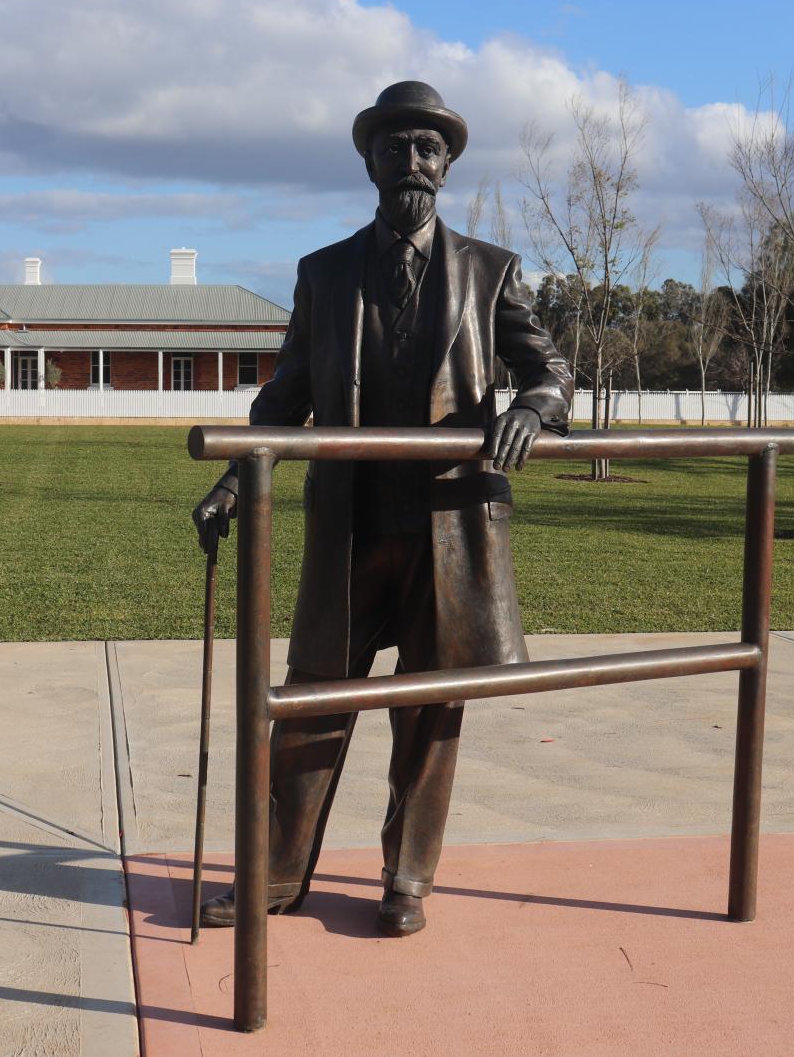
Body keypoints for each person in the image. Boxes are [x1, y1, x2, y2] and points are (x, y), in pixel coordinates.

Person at [192, 81, 573, 937]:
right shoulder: (323, 274)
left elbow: (552, 370)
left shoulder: (490, 272)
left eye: (427, 149)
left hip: (450, 527)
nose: (412, 162)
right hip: (352, 526)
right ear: (369, 160)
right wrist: (230, 481)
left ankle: (407, 881)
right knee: (312, 704)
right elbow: (286, 395)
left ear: (447, 166)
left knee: (431, 711)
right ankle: (277, 876)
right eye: (396, 146)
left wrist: (533, 406)